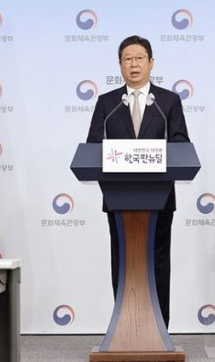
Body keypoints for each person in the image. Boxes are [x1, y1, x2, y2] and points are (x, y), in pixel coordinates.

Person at [86, 35, 189, 328]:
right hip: (119, 198)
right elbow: (93, 146)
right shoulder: (107, 103)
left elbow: (181, 144)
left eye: (139, 58)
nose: (134, 64)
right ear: (120, 65)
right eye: (128, 59)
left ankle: (160, 328)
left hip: (160, 198)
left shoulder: (168, 101)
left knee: (158, 263)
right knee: (123, 262)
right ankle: (125, 326)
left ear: (151, 63)